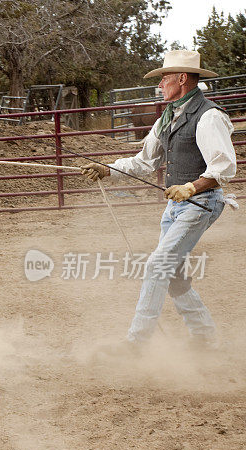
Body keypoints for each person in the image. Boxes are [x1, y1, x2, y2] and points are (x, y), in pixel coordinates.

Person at [81, 49, 237, 348]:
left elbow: (223, 167)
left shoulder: (209, 117)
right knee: (173, 273)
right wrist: (106, 169)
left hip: (201, 203)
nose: (161, 83)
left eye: (165, 77)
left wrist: (190, 187)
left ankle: (136, 345)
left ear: (182, 78)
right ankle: (204, 336)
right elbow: (143, 161)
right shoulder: (168, 116)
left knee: (157, 266)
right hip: (178, 205)